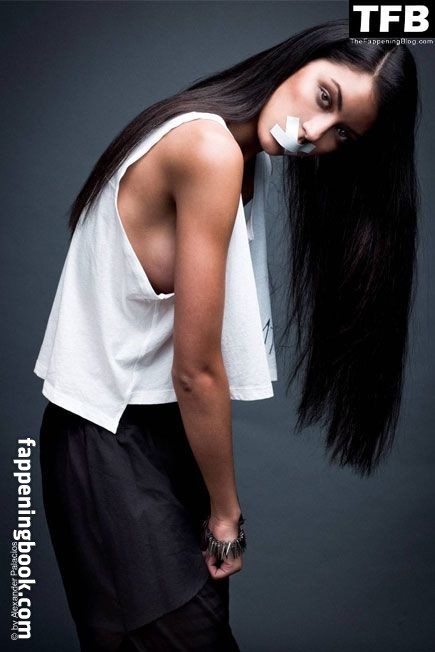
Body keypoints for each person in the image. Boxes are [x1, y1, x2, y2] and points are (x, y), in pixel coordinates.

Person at [34, 17, 421, 651]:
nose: (315, 133)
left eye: (343, 134)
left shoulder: (240, 158)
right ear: (302, 58)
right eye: (325, 97)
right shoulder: (209, 148)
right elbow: (197, 370)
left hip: (155, 437)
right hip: (108, 438)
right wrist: (226, 516)